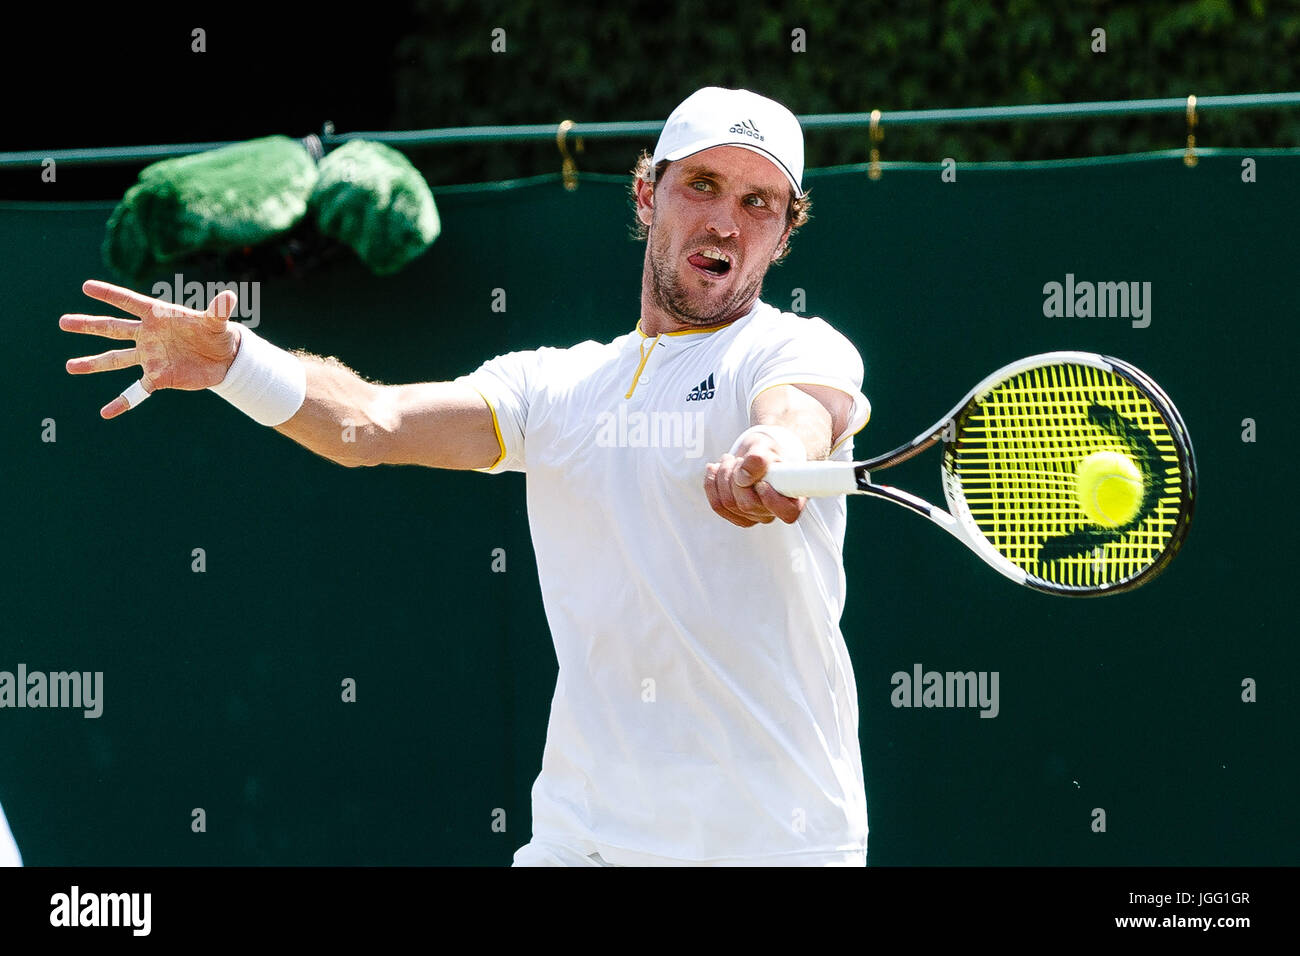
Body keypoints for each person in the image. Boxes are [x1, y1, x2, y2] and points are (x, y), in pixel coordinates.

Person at [61, 87, 871, 866]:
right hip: (581, 833)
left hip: (767, 839)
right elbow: (369, 427)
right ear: (646, 194)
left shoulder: (797, 349)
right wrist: (236, 361)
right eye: (702, 184)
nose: (727, 220)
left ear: (783, 233)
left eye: (760, 203)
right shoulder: (552, 387)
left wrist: (768, 452)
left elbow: (797, 416)